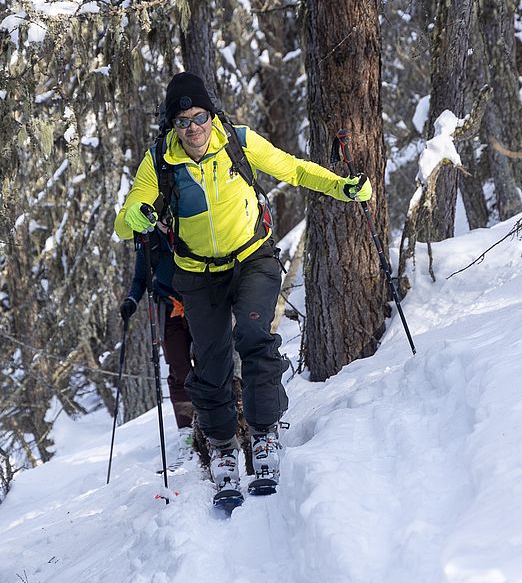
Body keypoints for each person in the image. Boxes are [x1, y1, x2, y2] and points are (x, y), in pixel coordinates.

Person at [113, 71, 372, 495]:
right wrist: (136, 217)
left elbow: (294, 169)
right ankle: (221, 446)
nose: (193, 128)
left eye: (199, 117)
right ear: (171, 126)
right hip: (196, 273)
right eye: (182, 122)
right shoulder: (159, 159)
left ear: (211, 114)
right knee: (211, 361)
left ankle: (265, 433)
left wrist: (341, 188)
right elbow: (125, 221)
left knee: (254, 336)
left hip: (252, 258)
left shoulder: (239, 141)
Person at [120, 229, 196, 446]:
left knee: (207, 363)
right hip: (168, 308)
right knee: (179, 369)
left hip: (199, 303)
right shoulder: (148, 239)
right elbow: (140, 278)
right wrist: (131, 301)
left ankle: (212, 423)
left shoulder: (187, 224)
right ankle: (187, 432)